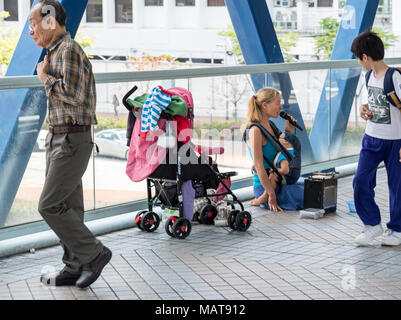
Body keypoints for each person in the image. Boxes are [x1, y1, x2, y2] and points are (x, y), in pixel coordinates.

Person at [30, 0, 112, 288]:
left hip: (72, 137)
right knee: (68, 205)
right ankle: (75, 265)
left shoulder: (69, 50)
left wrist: (44, 78)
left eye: (33, 23)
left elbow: (74, 95)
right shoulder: (56, 52)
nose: (31, 31)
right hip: (61, 136)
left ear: (50, 21)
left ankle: (95, 253)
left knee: (49, 205)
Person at [350, 30, 401, 247]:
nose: (358, 61)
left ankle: (397, 229)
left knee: (397, 186)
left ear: (365, 56)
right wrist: (365, 109)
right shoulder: (369, 75)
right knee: (360, 181)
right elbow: (372, 103)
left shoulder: (395, 77)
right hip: (371, 138)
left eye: (357, 57)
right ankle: (372, 226)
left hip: (395, 141)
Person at [244, 87, 296, 213]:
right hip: (266, 187)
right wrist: (271, 195)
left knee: (312, 190)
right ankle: (263, 198)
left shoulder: (270, 125)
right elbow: (259, 166)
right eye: (277, 103)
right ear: (265, 105)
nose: (280, 107)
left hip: (278, 181)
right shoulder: (255, 131)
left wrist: (288, 130)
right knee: (308, 197)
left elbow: (281, 150)